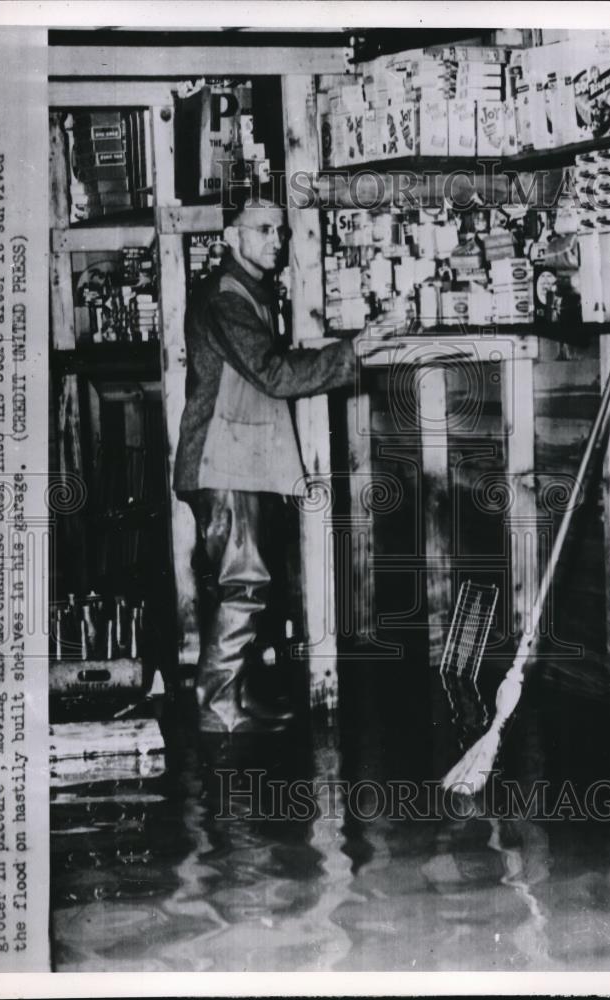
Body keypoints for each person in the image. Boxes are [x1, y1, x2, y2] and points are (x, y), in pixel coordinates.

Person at [174, 196, 390, 733]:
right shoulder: (226, 297)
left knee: (243, 584)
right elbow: (272, 374)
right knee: (244, 585)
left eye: (280, 232)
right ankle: (216, 708)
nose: (276, 240)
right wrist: (352, 352)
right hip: (222, 463)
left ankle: (236, 696)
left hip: (238, 460)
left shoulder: (246, 292)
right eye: (264, 230)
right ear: (232, 237)